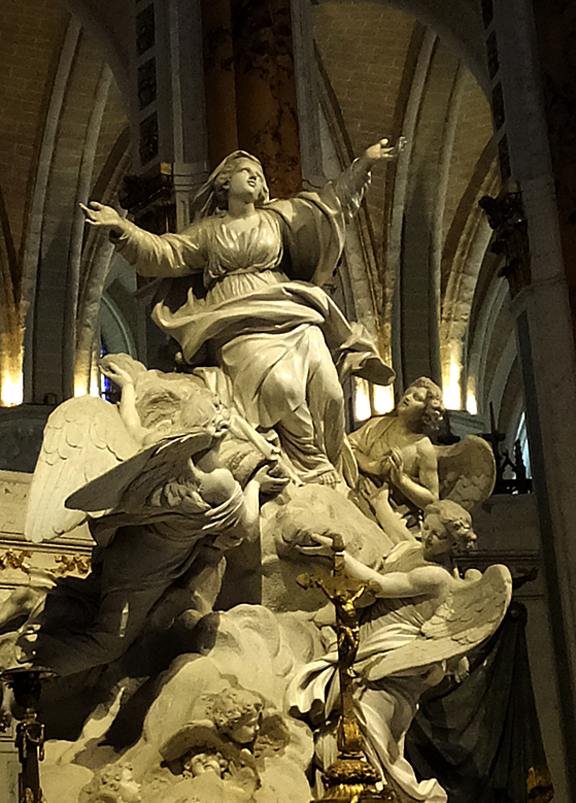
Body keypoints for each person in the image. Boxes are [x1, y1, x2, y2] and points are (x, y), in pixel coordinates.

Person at [81, 141, 402, 484]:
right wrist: (123, 229)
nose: (254, 178)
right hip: (235, 320)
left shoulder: (278, 220)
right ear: (225, 183)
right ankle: (311, 465)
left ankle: (330, 461)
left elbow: (331, 203)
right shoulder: (209, 231)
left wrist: (363, 164)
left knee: (330, 390)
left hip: (291, 310)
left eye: (258, 175)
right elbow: (167, 253)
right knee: (283, 388)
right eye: (246, 172)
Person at [288, 500, 511, 803]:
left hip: (392, 657)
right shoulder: (413, 551)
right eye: (427, 528)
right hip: (374, 649)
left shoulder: (438, 577)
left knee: (366, 729)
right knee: (373, 736)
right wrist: (380, 502)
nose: (428, 537)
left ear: (453, 543)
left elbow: (378, 584)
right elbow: (398, 533)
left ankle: (398, 794)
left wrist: (337, 554)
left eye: (438, 536)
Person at [348, 377, 445, 541]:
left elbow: (431, 500)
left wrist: (401, 480)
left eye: (417, 398)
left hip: (396, 515)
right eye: (409, 393)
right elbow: (348, 446)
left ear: (426, 414)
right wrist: (373, 466)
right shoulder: (378, 424)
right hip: (359, 495)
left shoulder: (422, 446)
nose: (408, 398)